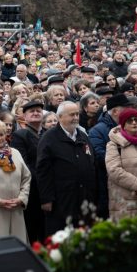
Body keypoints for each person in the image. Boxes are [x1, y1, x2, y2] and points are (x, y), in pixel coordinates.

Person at [37, 101, 97, 236]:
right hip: (61, 200)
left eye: (77, 114)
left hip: (84, 199)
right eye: (71, 115)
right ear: (60, 117)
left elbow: (91, 164)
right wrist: (46, 199)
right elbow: (43, 171)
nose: (76, 117)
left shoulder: (83, 136)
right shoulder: (49, 138)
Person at [89, 94, 132, 219]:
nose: (130, 112)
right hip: (108, 184)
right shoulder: (97, 131)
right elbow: (100, 157)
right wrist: (128, 159)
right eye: (126, 109)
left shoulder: (131, 126)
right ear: (114, 111)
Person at [11, 100, 45, 242]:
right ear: (24, 117)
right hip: (32, 188)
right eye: (32, 111)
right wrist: (41, 180)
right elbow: (23, 164)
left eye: (38, 110)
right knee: (32, 227)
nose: (36, 113)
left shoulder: (47, 133)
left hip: (47, 187)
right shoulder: (20, 135)